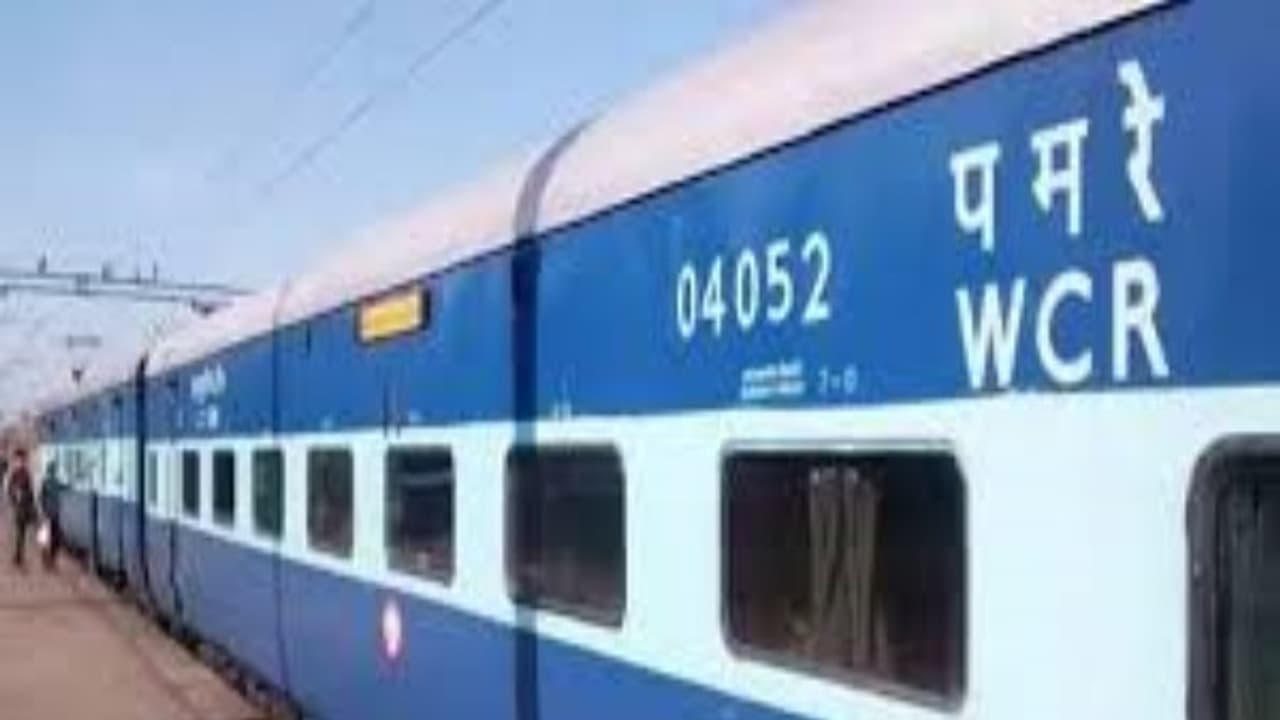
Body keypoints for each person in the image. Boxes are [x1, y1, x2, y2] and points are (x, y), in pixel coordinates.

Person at [6, 449, 36, 570]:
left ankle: (18, 556)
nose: (21, 462)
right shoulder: (14, 474)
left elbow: (30, 491)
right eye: (19, 460)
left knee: (23, 533)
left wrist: (28, 499)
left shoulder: (26, 474)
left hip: (26, 507)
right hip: (19, 508)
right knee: (20, 533)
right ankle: (18, 556)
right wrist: (14, 496)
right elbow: (9, 490)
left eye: (22, 460)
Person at [38, 460, 62, 570]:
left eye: (53, 470)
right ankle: (47, 559)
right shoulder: (47, 482)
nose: (53, 472)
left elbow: (64, 487)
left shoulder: (55, 482)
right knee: (47, 537)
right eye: (53, 470)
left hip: (53, 513)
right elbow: (41, 497)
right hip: (48, 513)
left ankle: (50, 559)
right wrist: (42, 511)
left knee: (54, 538)